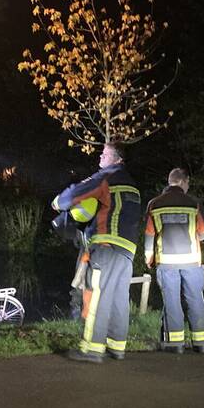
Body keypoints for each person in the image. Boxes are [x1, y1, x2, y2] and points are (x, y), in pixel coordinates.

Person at [52, 142, 140, 363]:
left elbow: (72, 195)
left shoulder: (105, 177)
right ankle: (117, 346)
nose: (101, 156)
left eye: (105, 153)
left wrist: (57, 202)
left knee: (97, 295)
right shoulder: (132, 185)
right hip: (127, 250)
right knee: (119, 299)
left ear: (117, 159)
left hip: (106, 246)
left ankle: (91, 349)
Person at [144, 168, 204, 354]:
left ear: (170, 182)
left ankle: (175, 345)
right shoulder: (193, 203)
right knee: (195, 300)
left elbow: (150, 234)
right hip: (191, 261)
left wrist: (149, 257)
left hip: (166, 262)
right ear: (184, 182)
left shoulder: (154, 204)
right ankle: (201, 344)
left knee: (171, 301)